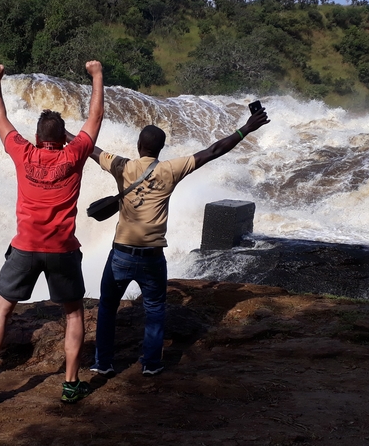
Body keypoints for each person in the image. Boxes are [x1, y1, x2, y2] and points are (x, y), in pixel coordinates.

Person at [85, 107, 270, 377]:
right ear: (161, 149)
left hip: (121, 255)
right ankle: (151, 364)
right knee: (155, 309)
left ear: (139, 146)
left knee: (107, 308)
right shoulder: (171, 169)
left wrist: (62, 133)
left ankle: (103, 363)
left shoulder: (121, 166)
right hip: (152, 257)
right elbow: (214, 150)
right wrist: (246, 128)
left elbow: (90, 149)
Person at [0, 60, 104, 404]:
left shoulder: (21, 151)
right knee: (73, 313)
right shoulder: (75, 155)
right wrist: (97, 76)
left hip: (24, 248)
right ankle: (71, 385)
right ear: (62, 139)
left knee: (2, 310)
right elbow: (96, 118)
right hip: (62, 249)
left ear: (37, 138)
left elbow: (0, 118)